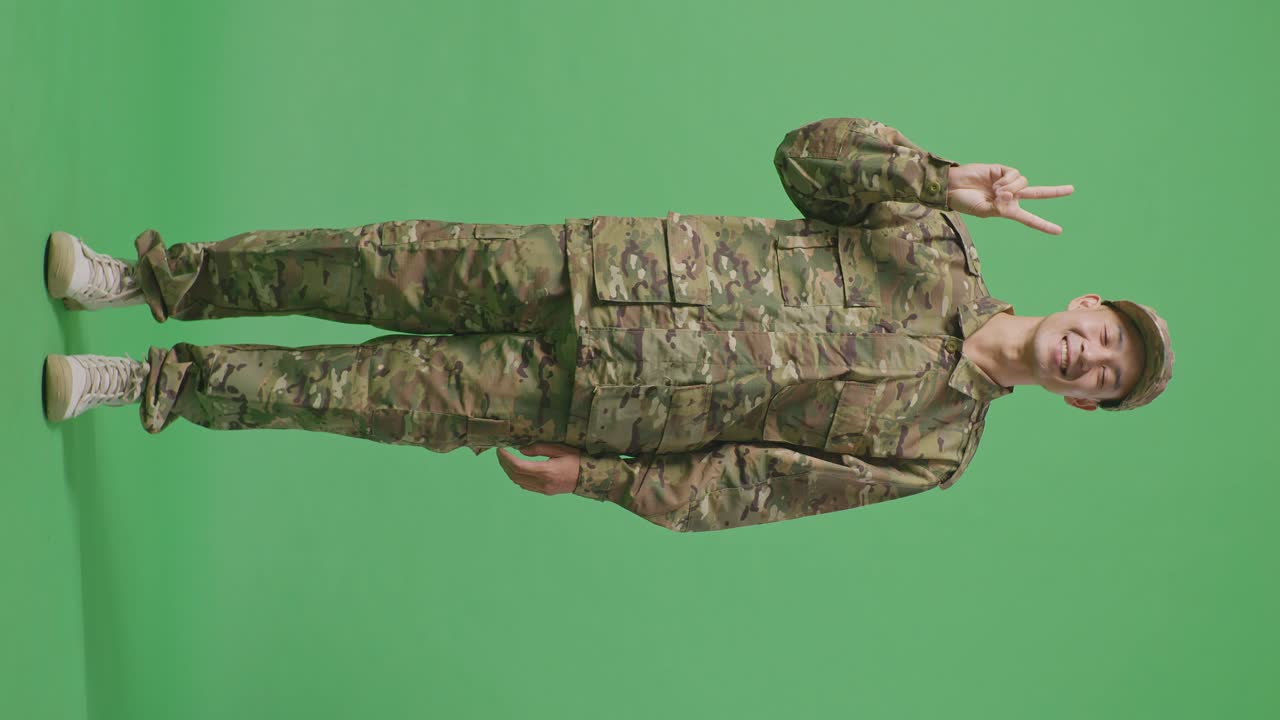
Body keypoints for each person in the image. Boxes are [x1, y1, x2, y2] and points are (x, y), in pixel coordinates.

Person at [42, 117, 1174, 532]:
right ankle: (148, 280)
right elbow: (801, 157)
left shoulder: (931, 451)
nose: (1091, 353)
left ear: (1080, 400)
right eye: (1105, 333)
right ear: (1083, 306)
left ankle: (152, 382)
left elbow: (754, 485)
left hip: (601, 404)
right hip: (590, 269)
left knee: (358, 397)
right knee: (366, 267)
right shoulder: (932, 242)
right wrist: (933, 177)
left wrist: (602, 482)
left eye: (1105, 376)